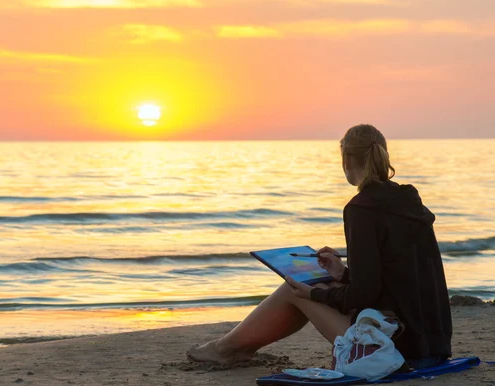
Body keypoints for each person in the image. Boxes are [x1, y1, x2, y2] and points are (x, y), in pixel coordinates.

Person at [187, 124, 452, 370]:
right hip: (433, 345)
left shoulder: (362, 208)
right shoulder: (408, 200)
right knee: (318, 285)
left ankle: (225, 349)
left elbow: (363, 296)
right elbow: (396, 280)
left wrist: (312, 295)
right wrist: (342, 274)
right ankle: (234, 348)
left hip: (397, 349)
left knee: (294, 290)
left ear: (346, 160)